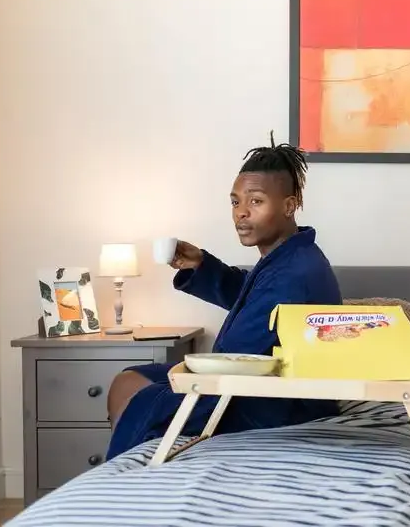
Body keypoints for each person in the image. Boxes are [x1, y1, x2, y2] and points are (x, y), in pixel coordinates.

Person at [105, 133, 342, 460]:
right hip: (259, 383)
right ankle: (127, 461)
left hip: (274, 402)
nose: (241, 213)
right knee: (132, 377)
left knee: (136, 395)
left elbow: (235, 353)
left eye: (255, 201)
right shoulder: (287, 257)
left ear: (289, 206)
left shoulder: (294, 274)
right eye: (235, 202)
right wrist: (201, 264)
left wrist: (191, 378)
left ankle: (127, 471)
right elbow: (253, 297)